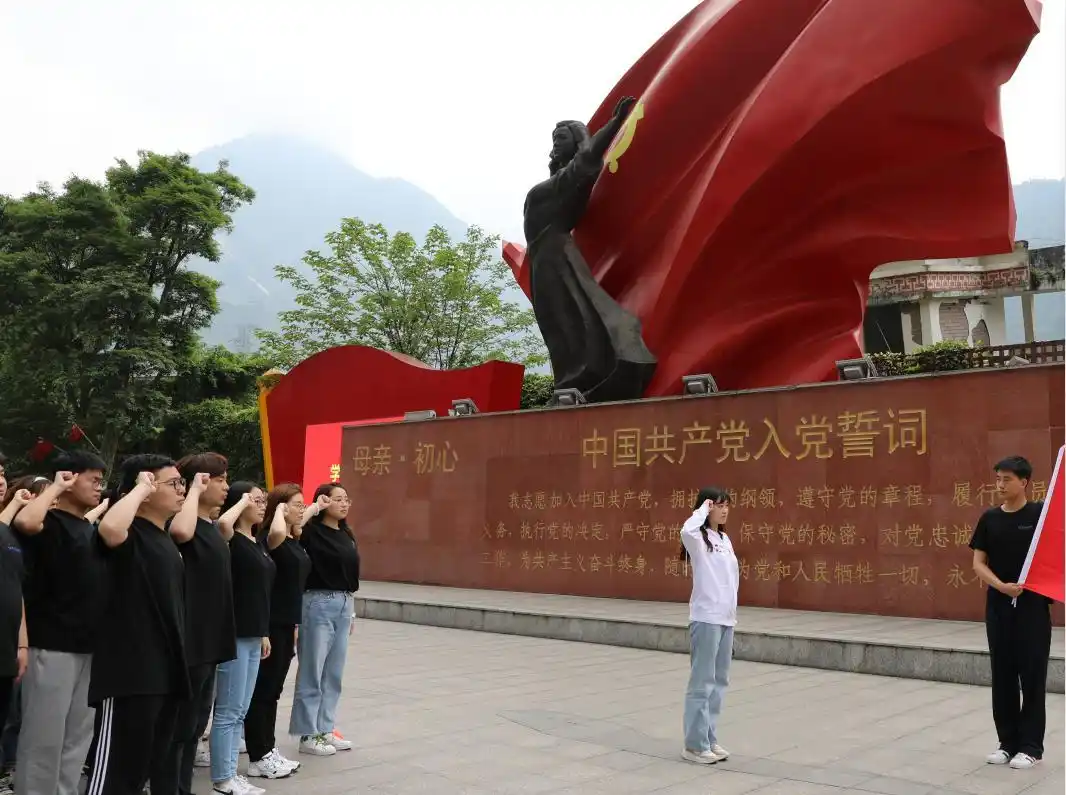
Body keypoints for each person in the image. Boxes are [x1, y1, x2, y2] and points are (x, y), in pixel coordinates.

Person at [86, 454, 191, 793]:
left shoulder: (164, 541)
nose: (181, 489)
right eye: (173, 483)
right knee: (116, 773)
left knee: (143, 768)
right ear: (144, 488)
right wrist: (141, 488)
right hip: (129, 674)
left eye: (182, 483)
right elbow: (110, 529)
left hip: (164, 670)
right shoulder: (130, 533)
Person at [13, 451, 107, 795]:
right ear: (68, 477)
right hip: (51, 645)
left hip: (89, 647)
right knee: (43, 739)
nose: (99, 488)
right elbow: (25, 523)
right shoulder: (45, 522)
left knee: (76, 739)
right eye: (93, 480)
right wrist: (56, 487)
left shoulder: (88, 527)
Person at [157, 453, 237, 795]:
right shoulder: (183, 524)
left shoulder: (212, 527)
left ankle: (182, 787)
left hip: (210, 642)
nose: (225, 486)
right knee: (178, 727)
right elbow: (180, 531)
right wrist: (193, 491)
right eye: (218, 480)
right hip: (190, 642)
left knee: (193, 727)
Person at [970, 455, 1052, 771]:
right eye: (998, 479)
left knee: (1031, 676)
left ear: (1024, 482)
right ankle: (1007, 743)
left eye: (1006, 479)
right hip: (999, 607)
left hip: (1032, 608)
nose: (1000, 485)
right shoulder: (989, 519)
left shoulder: (1040, 514)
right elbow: (978, 563)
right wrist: (1001, 587)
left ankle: (1031, 746)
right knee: (1002, 676)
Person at [210, 482, 277, 793]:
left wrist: (264, 632)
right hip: (234, 634)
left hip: (254, 634)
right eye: (255, 500)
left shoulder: (256, 541)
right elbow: (223, 522)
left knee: (241, 709)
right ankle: (223, 779)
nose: (262, 504)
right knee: (228, 709)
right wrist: (239, 504)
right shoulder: (230, 538)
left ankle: (231, 774)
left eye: (264, 500)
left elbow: (260, 593)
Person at [245, 484, 313, 778]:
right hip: (270, 625)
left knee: (273, 690)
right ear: (280, 508)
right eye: (295, 505)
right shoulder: (271, 540)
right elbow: (274, 533)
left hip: (287, 624)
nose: (301, 509)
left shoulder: (293, 539)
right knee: (263, 691)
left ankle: (267, 749)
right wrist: (283, 511)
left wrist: (295, 626)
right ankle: (258, 754)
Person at [289, 483, 359, 756]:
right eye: (338, 499)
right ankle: (308, 735)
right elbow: (294, 530)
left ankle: (325, 728)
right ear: (325, 500)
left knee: (333, 673)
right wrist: (314, 507)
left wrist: (350, 610)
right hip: (318, 602)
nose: (344, 504)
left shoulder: (345, 533)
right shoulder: (311, 531)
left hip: (344, 602)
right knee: (312, 670)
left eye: (346, 499)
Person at [679, 487, 739, 766]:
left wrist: (732, 615)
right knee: (701, 683)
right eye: (718, 505)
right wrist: (701, 509)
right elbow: (686, 530)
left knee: (719, 682)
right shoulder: (698, 539)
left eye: (726, 505)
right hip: (705, 619)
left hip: (725, 619)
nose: (724, 510)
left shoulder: (724, 539)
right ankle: (694, 745)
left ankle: (709, 739)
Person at [0, 477, 48, 795]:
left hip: (7, 647)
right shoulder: (10, 526)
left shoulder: (11, 535)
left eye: (2, 474)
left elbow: (15, 590)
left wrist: (21, 642)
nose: (0, 481)